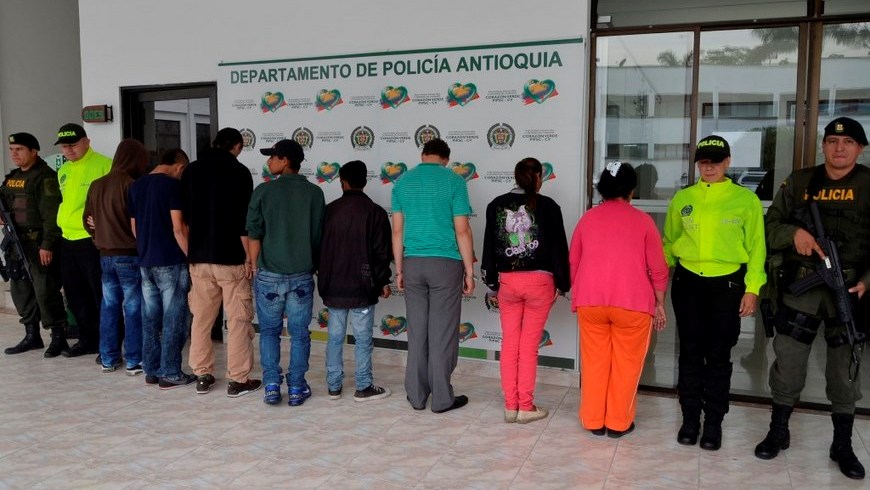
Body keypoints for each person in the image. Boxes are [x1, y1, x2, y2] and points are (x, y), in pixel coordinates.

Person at [754, 117, 869, 480]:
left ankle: (842, 444)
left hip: (848, 290)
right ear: (823, 146)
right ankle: (778, 431)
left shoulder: (868, 185)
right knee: (788, 360)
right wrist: (795, 234)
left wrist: (867, 281)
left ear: (860, 149)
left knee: (844, 368)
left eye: (848, 142)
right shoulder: (801, 181)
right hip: (802, 286)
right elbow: (768, 226)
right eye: (833, 141)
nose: (840, 148)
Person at [664, 135, 766, 450]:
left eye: (716, 162)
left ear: (728, 162)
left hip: (728, 284)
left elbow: (757, 248)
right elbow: (669, 242)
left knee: (719, 354)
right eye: (704, 162)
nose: (709, 168)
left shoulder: (745, 200)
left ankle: (713, 423)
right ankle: (690, 419)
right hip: (688, 282)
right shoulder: (683, 198)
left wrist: (752, 288)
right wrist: (656, 276)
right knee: (690, 351)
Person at [569, 162, 668, 437]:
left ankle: (593, 420)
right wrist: (660, 302)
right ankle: (617, 423)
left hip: (591, 301)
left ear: (602, 189)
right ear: (631, 190)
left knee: (594, 363)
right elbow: (658, 268)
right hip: (632, 303)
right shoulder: (643, 221)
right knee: (626, 365)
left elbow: (574, 262)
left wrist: (579, 292)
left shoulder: (587, 219)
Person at [481, 157, 570, 424]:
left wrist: (492, 283)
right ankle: (526, 407)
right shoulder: (549, 206)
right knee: (529, 347)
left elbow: (488, 248)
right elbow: (559, 249)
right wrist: (563, 284)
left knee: (509, 344)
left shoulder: (496, 205)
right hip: (540, 284)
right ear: (538, 177)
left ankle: (511, 407)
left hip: (508, 283)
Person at [391, 138, 474, 413]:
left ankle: (416, 395)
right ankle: (441, 399)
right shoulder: (454, 182)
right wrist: (470, 272)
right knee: (443, 334)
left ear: (423, 155)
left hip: (412, 263)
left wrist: (399, 269)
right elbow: (462, 230)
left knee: (417, 332)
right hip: (445, 264)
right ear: (446, 159)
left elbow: (397, 231)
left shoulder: (402, 182)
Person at [181, 127, 260, 398]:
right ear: (236, 146)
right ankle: (238, 380)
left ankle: (202, 375)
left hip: (199, 257)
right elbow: (244, 221)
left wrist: (191, 251)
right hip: (231, 257)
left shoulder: (191, 171)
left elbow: (184, 219)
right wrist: (249, 256)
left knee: (201, 319)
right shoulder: (240, 172)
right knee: (237, 321)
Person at [247, 139, 324, 406]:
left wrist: (253, 265)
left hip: (268, 273)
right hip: (302, 273)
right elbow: (318, 237)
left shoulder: (263, 191)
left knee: (269, 332)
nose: (269, 161)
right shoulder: (315, 193)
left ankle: (271, 386)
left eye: (273, 157)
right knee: (300, 333)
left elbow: (254, 232)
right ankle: (296, 388)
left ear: (286, 161)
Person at [318, 160, 392, 403]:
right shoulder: (376, 212)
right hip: (363, 286)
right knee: (363, 340)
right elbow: (382, 253)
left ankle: (333, 387)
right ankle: (363, 386)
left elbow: (317, 247)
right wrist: (383, 281)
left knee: (334, 338)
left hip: (333, 285)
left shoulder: (328, 211)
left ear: (343, 182)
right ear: (364, 181)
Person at [128, 148, 195, 389]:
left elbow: (134, 227)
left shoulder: (136, 186)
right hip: (170, 261)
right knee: (174, 319)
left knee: (150, 318)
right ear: (179, 166)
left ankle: (152, 370)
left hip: (146, 261)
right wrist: (191, 258)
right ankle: (171, 372)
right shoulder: (172, 186)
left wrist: (145, 249)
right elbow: (178, 228)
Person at [1, 133, 70, 357]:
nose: (14, 154)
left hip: (38, 245)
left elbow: (52, 216)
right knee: (21, 291)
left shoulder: (44, 177)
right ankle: (32, 335)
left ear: (34, 151)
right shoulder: (12, 178)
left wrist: (47, 245)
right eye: (12, 150)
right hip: (15, 245)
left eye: (20, 149)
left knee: (45, 292)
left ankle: (58, 337)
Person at [84, 139, 147, 374]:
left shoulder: (97, 184)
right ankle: (134, 360)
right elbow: (140, 223)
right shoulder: (132, 185)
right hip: (129, 256)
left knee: (109, 307)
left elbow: (87, 221)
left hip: (105, 256)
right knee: (133, 307)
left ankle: (108, 358)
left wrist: (99, 232)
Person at [55, 123, 112, 358]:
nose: (69, 150)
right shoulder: (63, 170)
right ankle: (87, 339)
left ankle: (107, 342)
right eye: (64, 146)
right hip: (67, 239)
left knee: (99, 292)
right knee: (75, 293)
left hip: (91, 240)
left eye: (73, 144)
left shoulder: (104, 165)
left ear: (87, 142)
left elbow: (113, 201)